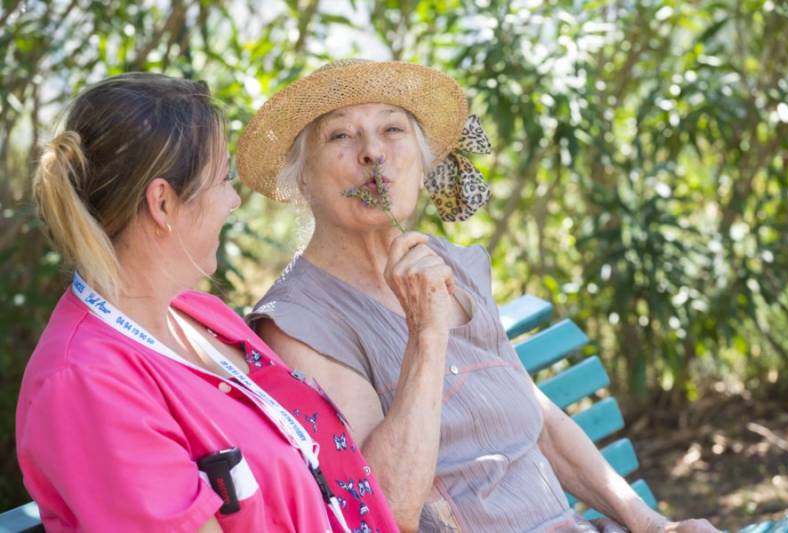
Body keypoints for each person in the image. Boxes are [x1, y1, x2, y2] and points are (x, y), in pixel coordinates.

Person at [236, 59, 722, 533]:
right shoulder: (297, 322)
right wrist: (425, 334)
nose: (372, 153)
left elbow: (542, 422)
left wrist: (653, 524)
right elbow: (388, 508)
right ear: (300, 177)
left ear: (423, 163)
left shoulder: (456, 266)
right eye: (340, 136)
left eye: (392, 130)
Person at [15, 72, 398, 533]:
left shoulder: (200, 314)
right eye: (223, 179)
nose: (234, 200)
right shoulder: (84, 383)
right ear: (163, 204)